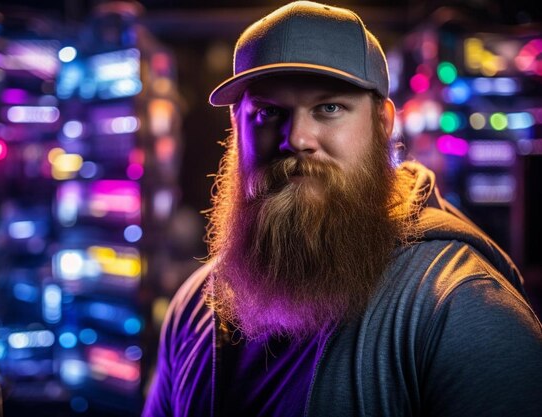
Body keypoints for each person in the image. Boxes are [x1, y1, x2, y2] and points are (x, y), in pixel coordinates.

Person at [143, 2, 542, 416]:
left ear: (383, 124)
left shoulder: (458, 307)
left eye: (328, 108)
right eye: (268, 112)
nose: (297, 137)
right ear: (235, 125)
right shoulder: (195, 306)